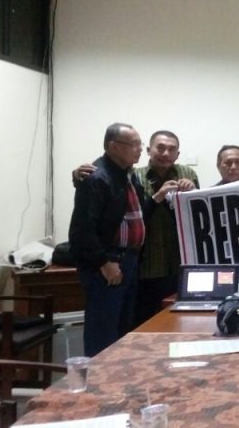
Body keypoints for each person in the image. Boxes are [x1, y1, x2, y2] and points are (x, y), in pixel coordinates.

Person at [72, 130, 199, 326]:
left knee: (178, 322)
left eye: (171, 149)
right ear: (149, 150)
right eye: (160, 148)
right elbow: (129, 215)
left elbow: (198, 216)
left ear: (178, 154)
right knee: (137, 322)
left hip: (179, 262)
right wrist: (76, 176)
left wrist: (193, 192)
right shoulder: (133, 175)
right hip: (144, 265)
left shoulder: (188, 174)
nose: (166, 153)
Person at [69, 123, 169, 355]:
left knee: (123, 330)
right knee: (103, 332)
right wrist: (104, 263)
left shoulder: (127, 175)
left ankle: (118, 374)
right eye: (134, 144)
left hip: (129, 261)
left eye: (139, 144)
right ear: (113, 146)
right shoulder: (97, 177)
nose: (139, 149)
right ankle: (98, 377)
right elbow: (82, 230)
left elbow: (136, 215)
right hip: (108, 264)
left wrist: (157, 197)